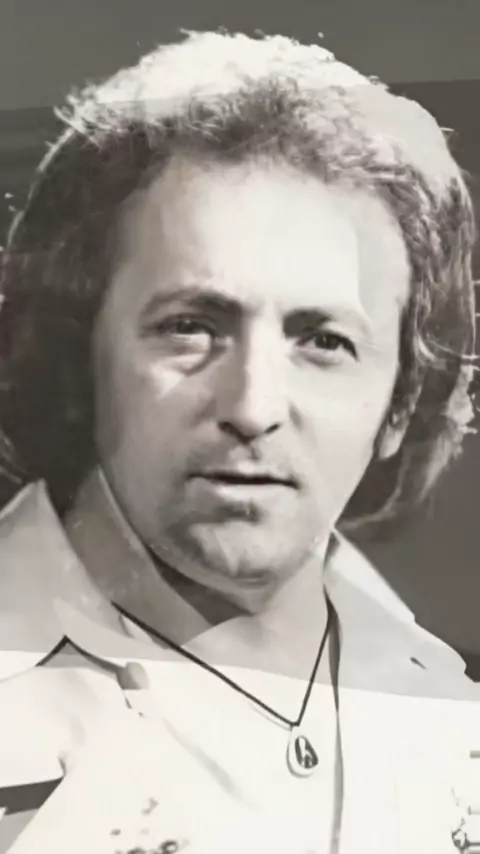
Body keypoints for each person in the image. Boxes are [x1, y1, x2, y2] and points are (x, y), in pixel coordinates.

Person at [0, 28, 479, 854]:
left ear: (400, 405)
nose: (253, 408)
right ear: (79, 355)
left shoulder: (453, 716)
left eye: (323, 341)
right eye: (190, 326)